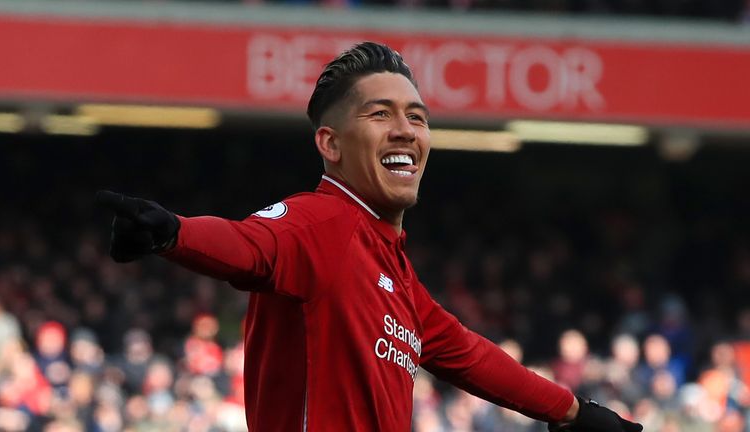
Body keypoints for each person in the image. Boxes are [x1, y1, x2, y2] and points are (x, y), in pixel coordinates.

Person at [96, 41, 642, 431]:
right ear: (330, 145)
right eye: (380, 114)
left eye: (418, 117)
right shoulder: (320, 224)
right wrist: (174, 233)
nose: (406, 130)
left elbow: (475, 358)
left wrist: (572, 411)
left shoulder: (395, 271)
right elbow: (251, 245)